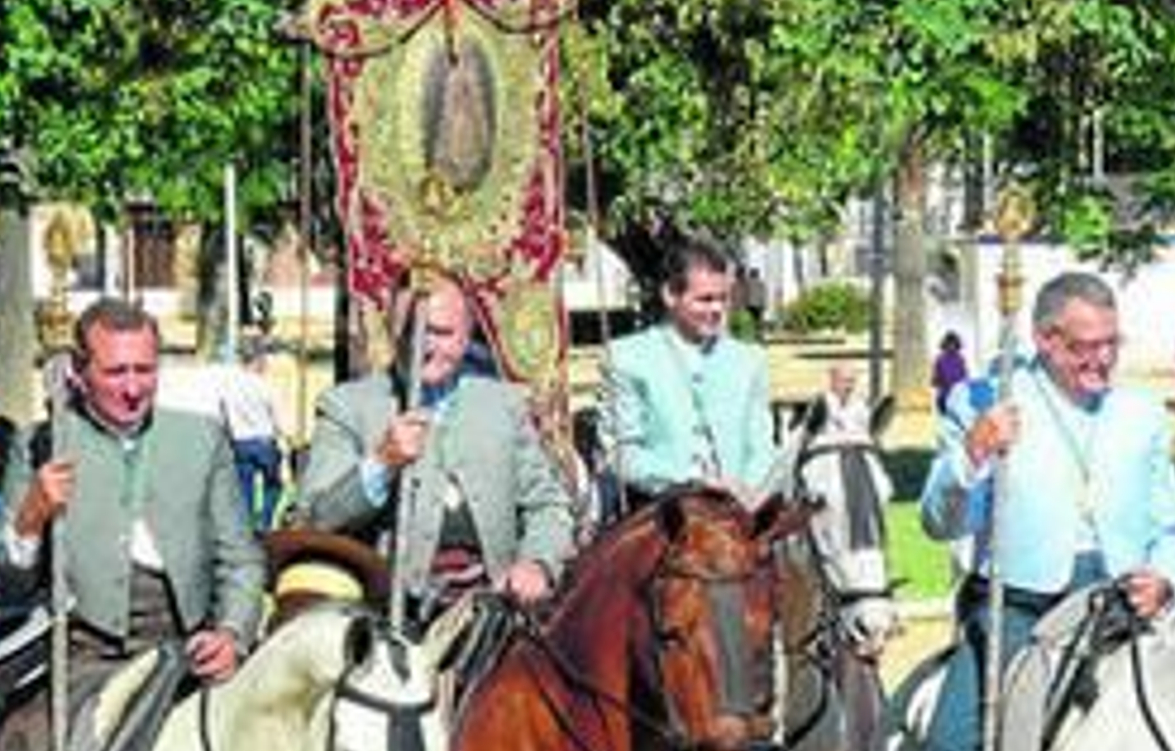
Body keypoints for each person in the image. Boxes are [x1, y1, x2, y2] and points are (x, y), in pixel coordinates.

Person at [918, 272, 1175, 751]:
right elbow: (938, 522)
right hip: (1018, 610)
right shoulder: (985, 401)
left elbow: (1173, 529)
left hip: (1118, 608)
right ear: (1046, 339)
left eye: (1113, 343)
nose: (1104, 360)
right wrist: (972, 453)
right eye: (1087, 347)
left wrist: (1166, 578)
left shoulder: (1142, 415)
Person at [0, 299, 266, 751]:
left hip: (188, 651)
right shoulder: (40, 445)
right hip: (85, 659)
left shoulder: (201, 439)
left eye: (145, 370)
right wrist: (31, 517)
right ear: (79, 371)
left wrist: (232, 633)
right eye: (115, 373)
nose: (133, 389)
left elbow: (241, 559)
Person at [290, 276, 574, 626]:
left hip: (494, 610)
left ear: (466, 336)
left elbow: (548, 504)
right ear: (392, 331)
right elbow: (317, 519)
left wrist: (538, 563)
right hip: (388, 615)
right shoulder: (347, 407)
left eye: (441, 332)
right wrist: (380, 463)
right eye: (412, 330)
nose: (425, 345)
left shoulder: (503, 404)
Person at [601, 235, 778, 507]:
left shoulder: (750, 360)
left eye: (723, 298)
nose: (717, 309)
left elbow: (762, 445)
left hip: (742, 514)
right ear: (671, 294)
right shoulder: (626, 358)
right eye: (705, 300)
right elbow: (621, 452)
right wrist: (690, 481)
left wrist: (748, 490)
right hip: (660, 515)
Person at [219, 340, 286, 532]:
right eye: (264, 359)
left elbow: (224, 414)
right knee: (274, 485)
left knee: (244, 488)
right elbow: (277, 418)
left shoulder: (230, 386)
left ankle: (247, 525)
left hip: (240, 442)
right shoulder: (264, 386)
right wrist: (285, 438)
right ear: (257, 360)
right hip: (264, 442)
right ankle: (264, 522)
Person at [811, 361, 871, 442]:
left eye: (852, 381)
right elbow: (809, 436)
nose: (849, 386)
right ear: (833, 381)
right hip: (828, 451)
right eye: (845, 381)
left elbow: (868, 434)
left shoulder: (860, 405)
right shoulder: (822, 404)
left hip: (856, 450)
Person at [932, 331, 969, 415]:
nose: (951, 346)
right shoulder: (940, 359)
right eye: (949, 344)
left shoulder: (960, 359)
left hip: (958, 397)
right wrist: (939, 382)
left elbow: (965, 378)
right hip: (944, 396)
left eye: (954, 344)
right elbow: (935, 379)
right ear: (945, 344)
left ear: (957, 345)